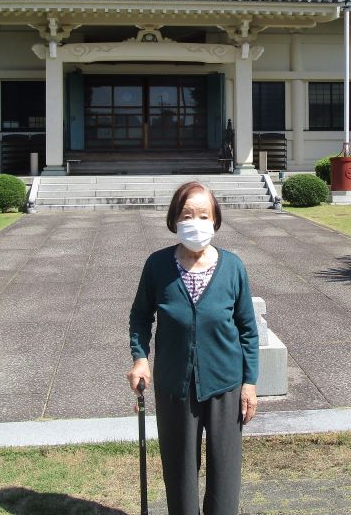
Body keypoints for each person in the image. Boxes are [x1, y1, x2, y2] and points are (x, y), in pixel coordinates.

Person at [127, 181, 259, 515]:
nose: (195, 222)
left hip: (225, 384)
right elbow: (141, 317)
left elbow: (247, 329)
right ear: (174, 219)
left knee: (225, 473)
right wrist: (140, 358)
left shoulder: (233, 267)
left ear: (215, 221)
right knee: (180, 471)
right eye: (187, 214)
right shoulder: (157, 265)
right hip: (175, 386)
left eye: (203, 215)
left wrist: (249, 382)